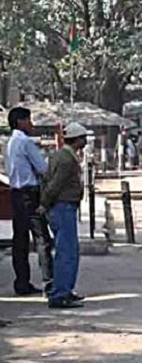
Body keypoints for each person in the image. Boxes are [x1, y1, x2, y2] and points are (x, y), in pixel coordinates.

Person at [4, 107, 53, 296]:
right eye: (28, 120)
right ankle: (49, 282)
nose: (31, 124)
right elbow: (42, 168)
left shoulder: (11, 143)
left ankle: (22, 282)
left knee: (20, 240)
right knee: (42, 239)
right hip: (29, 194)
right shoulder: (25, 142)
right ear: (20, 122)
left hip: (16, 193)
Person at [39, 122, 87, 309]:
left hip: (62, 206)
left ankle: (65, 289)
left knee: (67, 250)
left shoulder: (60, 155)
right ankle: (60, 294)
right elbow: (55, 184)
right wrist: (45, 203)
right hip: (63, 206)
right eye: (83, 138)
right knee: (66, 251)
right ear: (77, 139)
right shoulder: (67, 159)